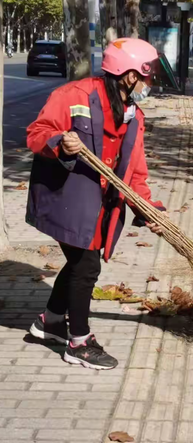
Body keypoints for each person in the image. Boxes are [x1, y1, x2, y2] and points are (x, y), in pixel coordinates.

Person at [26, 38, 166, 370]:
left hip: (100, 202)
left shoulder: (134, 115)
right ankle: (79, 342)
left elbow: (135, 171)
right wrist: (60, 141)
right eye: (148, 77)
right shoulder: (73, 96)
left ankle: (51, 322)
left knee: (79, 264)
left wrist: (148, 210)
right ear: (130, 76)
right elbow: (36, 132)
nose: (151, 84)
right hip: (67, 196)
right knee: (86, 266)